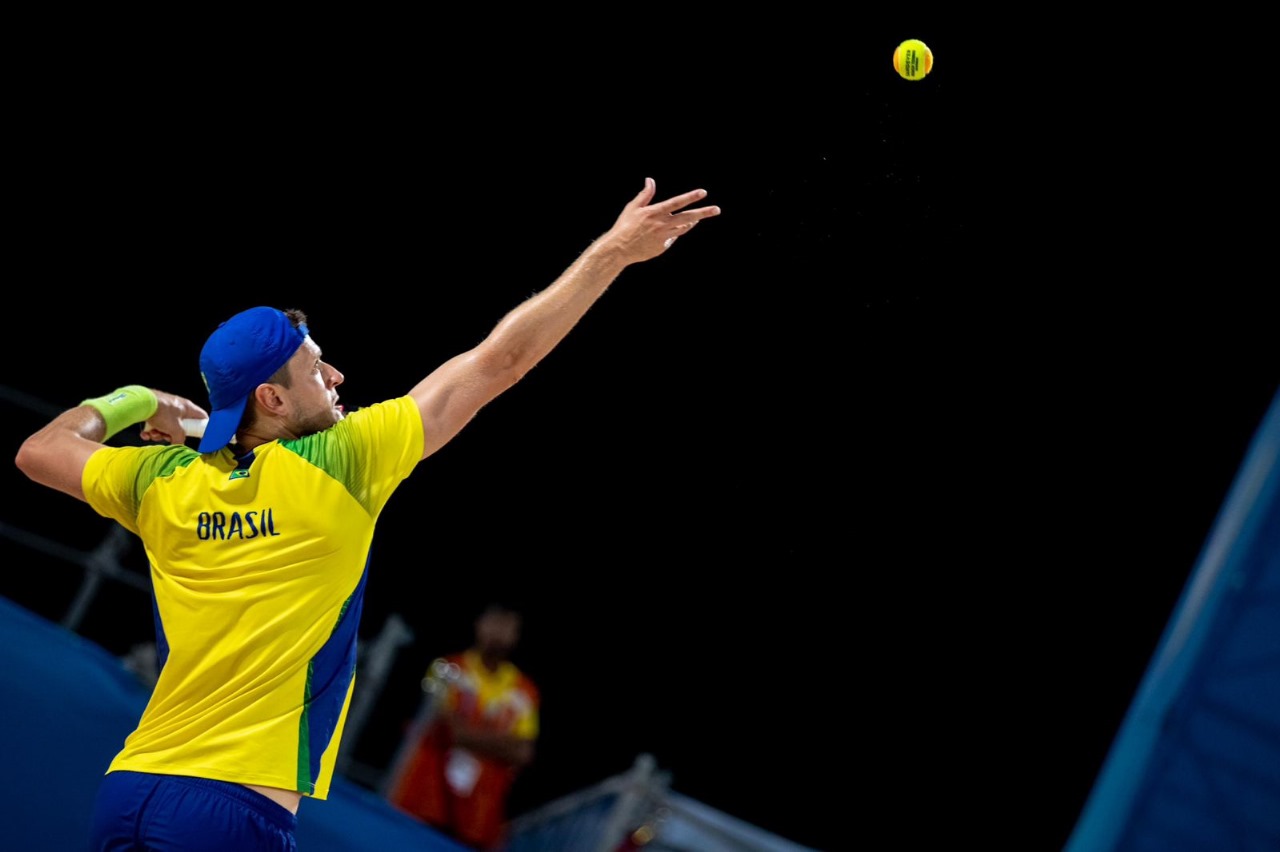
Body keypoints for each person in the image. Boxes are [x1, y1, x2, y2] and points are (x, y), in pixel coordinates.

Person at [13, 177, 719, 852]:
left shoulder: (159, 481)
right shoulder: (340, 462)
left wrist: (138, 398)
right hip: (232, 810)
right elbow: (499, 362)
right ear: (274, 399)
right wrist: (612, 253)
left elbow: (40, 452)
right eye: (317, 369)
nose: (338, 377)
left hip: (131, 786)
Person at [384, 602, 539, 850]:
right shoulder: (447, 668)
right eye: (494, 623)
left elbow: (523, 752)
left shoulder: (525, 691)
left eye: (507, 627)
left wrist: (469, 734)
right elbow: (452, 731)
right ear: (479, 625)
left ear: (517, 636)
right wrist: (500, 742)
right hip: (423, 801)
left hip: (477, 820)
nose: (498, 632)